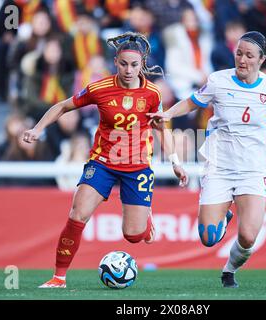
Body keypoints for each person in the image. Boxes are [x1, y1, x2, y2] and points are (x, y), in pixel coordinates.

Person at [23, 32, 188, 288]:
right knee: (78, 213)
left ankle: (145, 219)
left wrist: (176, 161)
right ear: (116, 61)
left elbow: (160, 128)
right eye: (123, 64)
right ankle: (59, 277)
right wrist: (37, 128)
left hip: (137, 166)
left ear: (142, 63)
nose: (129, 70)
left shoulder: (153, 94)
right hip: (102, 162)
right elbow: (63, 107)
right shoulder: (100, 88)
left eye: (134, 65)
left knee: (133, 236)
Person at [148, 31, 266, 288]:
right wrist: (167, 113)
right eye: (239, 53)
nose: (242, 59)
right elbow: (193, 102)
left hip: (252, 169)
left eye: (249, 55)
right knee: (207, 238)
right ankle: (223, 218)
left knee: (248, 237)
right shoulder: (218, 81)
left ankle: (229, 270)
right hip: (219, 166)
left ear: (261, 59)